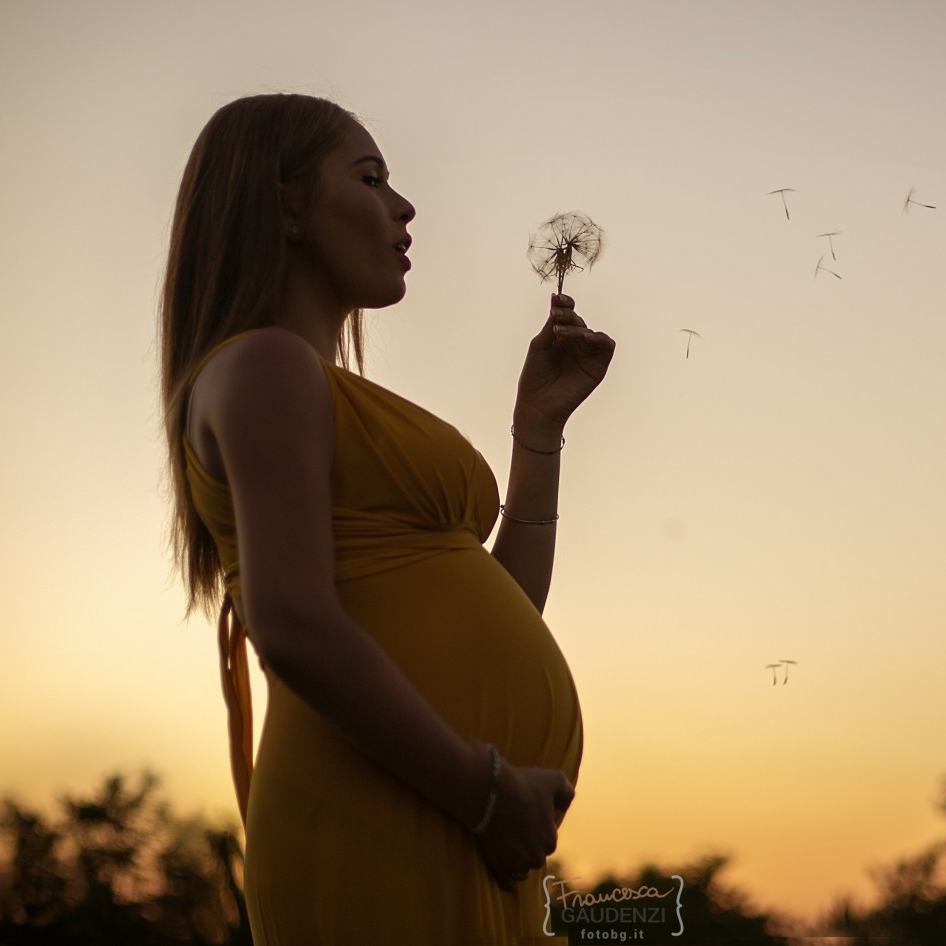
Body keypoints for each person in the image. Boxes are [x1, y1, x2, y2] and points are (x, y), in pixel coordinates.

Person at [159, 93, 615, 945]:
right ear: (285, 203)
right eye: (369, 178)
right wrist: (482, 793)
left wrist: (537, 432)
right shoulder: (264, 366)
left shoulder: (314, 389)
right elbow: (290, 621)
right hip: (384, 811)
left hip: (459, 818)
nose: (403, 206)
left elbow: (506, 602)